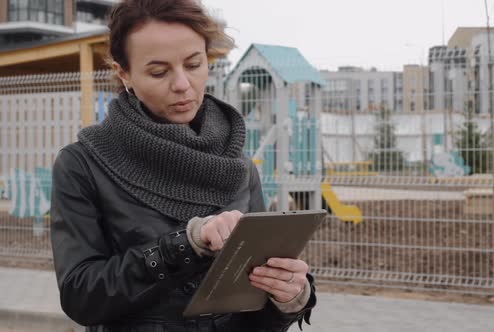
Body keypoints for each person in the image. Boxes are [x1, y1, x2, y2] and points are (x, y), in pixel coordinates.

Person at [50, 0, 316, 331]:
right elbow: (81, 297)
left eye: (193, 64)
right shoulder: (84, 165)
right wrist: (185, 244)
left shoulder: (237, 165)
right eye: (158, 72)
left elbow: (254, 314)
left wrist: (288, 296)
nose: (181, 84)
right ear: (124, 74)